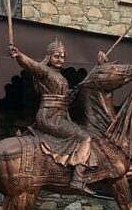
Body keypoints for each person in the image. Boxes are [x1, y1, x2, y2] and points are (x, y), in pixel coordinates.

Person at [9, 39, 95, 194]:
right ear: (49, 57)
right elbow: (32, 65)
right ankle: (77, 179)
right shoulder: (45, 71)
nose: (60, 59)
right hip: (49, 117)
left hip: (61, 116)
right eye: (57, 56)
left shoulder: (61, 77)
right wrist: (19, 55)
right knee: (85, 137)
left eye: (62, 57)